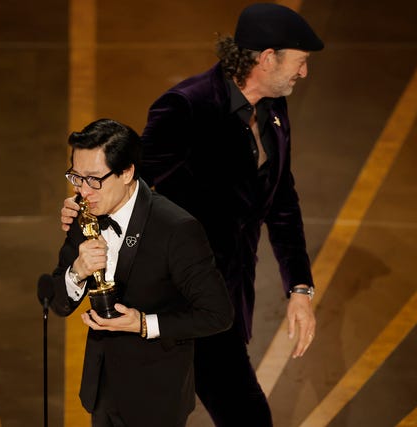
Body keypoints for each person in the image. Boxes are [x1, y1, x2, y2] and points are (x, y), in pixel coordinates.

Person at [60, 3, 322, 426]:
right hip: (176, 301)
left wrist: (300, 287)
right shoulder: (187, 106)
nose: (304, 73)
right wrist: (82, 207)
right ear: (267, 57)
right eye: (301, 61)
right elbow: (131, 182)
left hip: (225, 299)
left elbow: (281, 200)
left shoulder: (274, 109)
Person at [48, 118, 233, 427]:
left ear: (126, 172)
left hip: (156, 396)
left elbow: (218, 314)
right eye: (76, 177)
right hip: (102, 390)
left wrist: (144, 324)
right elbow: (58, 302)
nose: (83, 190)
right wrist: (77, 272)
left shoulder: (176, 229)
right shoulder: (82, 213)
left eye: (94, 179)